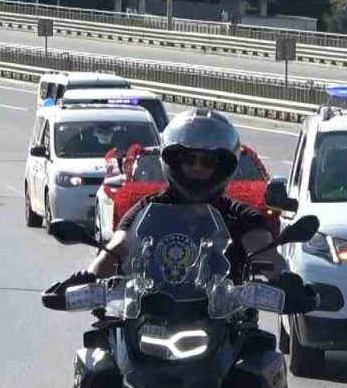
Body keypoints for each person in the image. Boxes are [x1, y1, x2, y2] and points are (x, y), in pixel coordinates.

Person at [83, 108, 287, 281]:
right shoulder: (146, 210)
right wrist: (89, 277)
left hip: (226, 317)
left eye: (207, 162)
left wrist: (286, 279)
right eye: (189, 159)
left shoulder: (241, 216)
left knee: (257, 330)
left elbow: (264, 251)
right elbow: (118, 245)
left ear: (223, 167)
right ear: (174, 161)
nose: (197, 167)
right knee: (104, 327)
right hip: (152, 313)